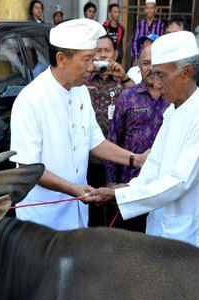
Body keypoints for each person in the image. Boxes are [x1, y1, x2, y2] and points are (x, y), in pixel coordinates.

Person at [91, 31, 199, 252]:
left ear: (187, 72)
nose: (156, 83)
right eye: (153, 75)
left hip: (189, 234)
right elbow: (154, 165)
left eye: (162, 75)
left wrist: (121, 195)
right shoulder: (173, 112)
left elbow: (179, 181)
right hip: (160, 227)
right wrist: (127, 187)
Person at [10, 19, 147, 231]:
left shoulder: (80, 90)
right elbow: (28, 168)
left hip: (77, 213)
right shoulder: (30, 99)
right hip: (43, 221)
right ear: (62, 59)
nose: (93, 66)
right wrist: (74, 189)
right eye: (87, 59)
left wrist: (134, 159)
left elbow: (94, 141)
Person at [106, 39, 169, 232]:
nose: (150, 68)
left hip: (163, 189)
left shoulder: (174, 98)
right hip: (129, 187)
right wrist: (111, 183)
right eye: (145, 63)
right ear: (138, 65)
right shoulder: (128, 96)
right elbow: (114, 138)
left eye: (155, 62)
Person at [86, 35, 133, 226]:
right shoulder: (83, 78)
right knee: (91, 202)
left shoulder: (122, 79)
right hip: (90, 157)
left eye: (107, 50)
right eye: (98, 51)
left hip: (116, 156)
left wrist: (124, 77)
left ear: (115, 54)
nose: (102, 55)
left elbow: (140, 99)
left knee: (114, 204)